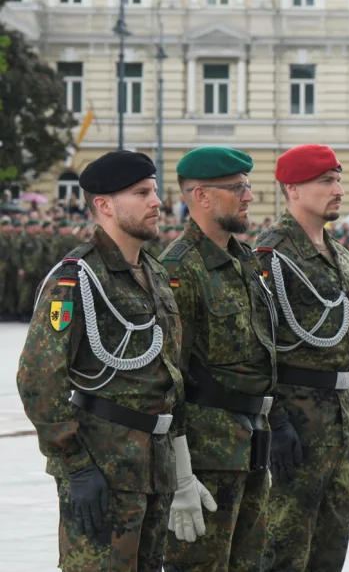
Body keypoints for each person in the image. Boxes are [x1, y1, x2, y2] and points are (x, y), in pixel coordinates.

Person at [16, 151, 184, 572]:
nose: (157, 202)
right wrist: (74, 466)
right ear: (105, 205)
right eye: (141, 193)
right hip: (104, 468)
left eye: (155, 191)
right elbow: (38, 378)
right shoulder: (76, 277)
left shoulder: (154, 273)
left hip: (153, 467)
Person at [159, 147, 277, 572]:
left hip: (250, 446)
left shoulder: (243, 261)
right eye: (238, 188)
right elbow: (168, 378)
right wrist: (181, 475)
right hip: (207, 457)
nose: (249, 197)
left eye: (248, 186)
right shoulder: (179, 268)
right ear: (202, 196)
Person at [255, 145, 349, 572]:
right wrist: (276, 422)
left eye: (338, 179)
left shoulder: (338, 253)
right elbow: (257, 346)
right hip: (296, 429)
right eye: (326, 181)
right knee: (284, 551)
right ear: (293, 189)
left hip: (339, 422)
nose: (338, 189)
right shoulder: (270, 256)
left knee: (330, 550)